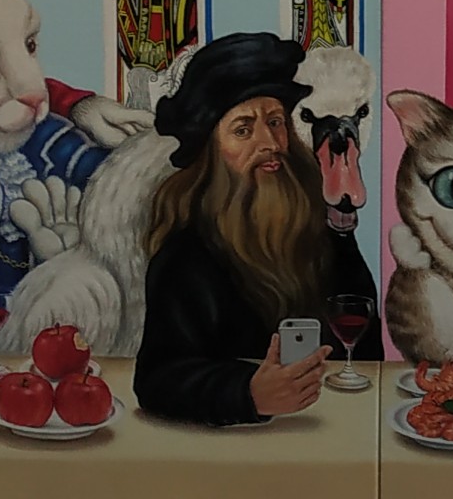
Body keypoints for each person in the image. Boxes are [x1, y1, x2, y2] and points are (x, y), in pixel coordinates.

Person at [133, 31, 378, 429]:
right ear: (212, 150)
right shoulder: (187, 257)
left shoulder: (324, 235)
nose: (270, 143)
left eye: (276, 122)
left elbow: (364, 345)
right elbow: (158, 378)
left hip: (332, 432)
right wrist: (246, 392)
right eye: (243, 130)